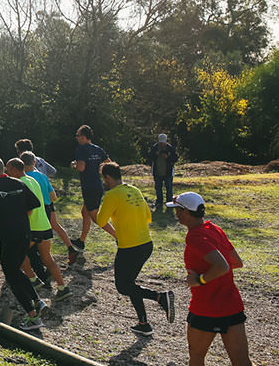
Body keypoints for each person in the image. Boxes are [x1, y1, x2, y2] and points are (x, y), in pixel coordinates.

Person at [169, 192, 251, 366]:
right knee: (242, 361)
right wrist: (215, 273)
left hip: (205, 308)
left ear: (185, 212)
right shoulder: (214, 229)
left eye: (177, 209)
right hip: (231, 305)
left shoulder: (195, 237)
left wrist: (200, 280)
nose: (176, 213)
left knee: (197, 357)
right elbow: (236, 262)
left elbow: (223, 266)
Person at [97, 162, 174, 336]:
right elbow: (148, 217)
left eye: (103, 178)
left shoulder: (111, 195)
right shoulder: (135, 190)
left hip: (129, 247)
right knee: (130, 284)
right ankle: (143, 323)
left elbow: (101, 221)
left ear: (108, 177)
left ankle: (160, 297)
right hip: (146, 244)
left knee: (123, 286)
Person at [0, 156, 48, 331]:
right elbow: (34, 204)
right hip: (25, 234)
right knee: (16, 270)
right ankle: (38, 301)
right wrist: (19, 216)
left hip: (8, 237)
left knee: (11, 277)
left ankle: (33, 317)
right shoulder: (18, 183)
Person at [8, 155, 71, 301]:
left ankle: (33, 280)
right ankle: (62, 287)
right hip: (44, 224)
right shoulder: (35, 180)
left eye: (8, 169)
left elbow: (26, 208)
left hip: (32, 226)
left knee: (17, 253)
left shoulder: (19, 183)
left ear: (13, 169)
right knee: (47, 258)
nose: (7, 172)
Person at [21, 152, 79, 265]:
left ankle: (37, 269)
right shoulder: (42, 176)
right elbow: (53, 197)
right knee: (46, 239)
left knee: (32, 242)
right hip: (47, 208)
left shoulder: (23, 178)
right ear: (34, 162)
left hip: (34, 212)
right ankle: (68, 251)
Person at [71, 124, 116, 253]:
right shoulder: (98, 149)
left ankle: (118, 237)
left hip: (89, 187)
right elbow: (109, 163)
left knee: (96, 217)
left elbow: (81, 168)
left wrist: (74, 164)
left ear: (84, 137)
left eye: (78, 135)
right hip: (97, 184)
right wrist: (98, 169)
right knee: (85, 212)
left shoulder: (81, 149)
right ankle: (81, 241)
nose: (77, 138)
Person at [148, 133, 179, 209]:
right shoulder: (154, 148)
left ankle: (169, 202)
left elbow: (175, 158)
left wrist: (168, 157)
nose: (162, 144)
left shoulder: (170, 148)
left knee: (169, 188)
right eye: (160, 143)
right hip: (157, 172)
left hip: (168, 172)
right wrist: (156, 154)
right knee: (158, 188)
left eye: (163, 142)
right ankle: (159, 202)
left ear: (166, 141)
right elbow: (149, 157)